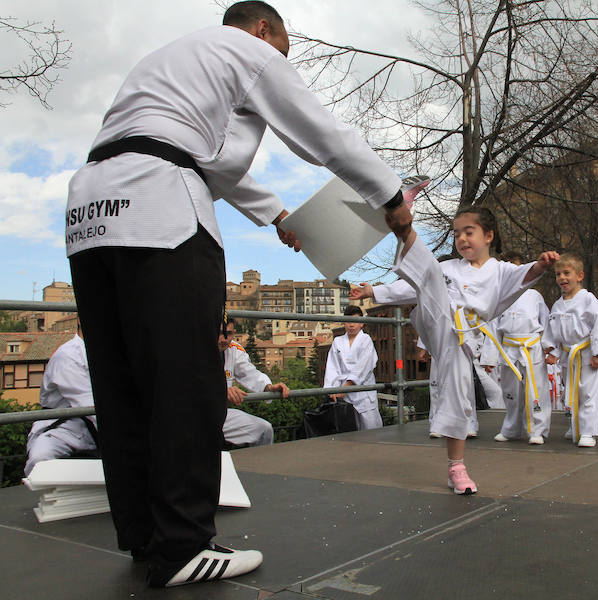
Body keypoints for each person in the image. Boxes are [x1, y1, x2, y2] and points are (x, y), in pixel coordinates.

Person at [64, 2, 418, 588]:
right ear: (263, 30)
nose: (280, 61)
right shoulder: (248, 49)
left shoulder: (172, 63)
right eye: (282, 48)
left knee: (122, 380)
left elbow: (215, 161)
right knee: (184, 378)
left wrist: (278, 213)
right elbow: (321, 135)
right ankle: (183, 544)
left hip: (91, 211)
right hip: (160, 208)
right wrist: (390, 194)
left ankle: (147, 537)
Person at [352, 206, 558, 494]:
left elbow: (525, 275)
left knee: (458, 398)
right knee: (431, 276)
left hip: (463, 340)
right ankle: (405, 226)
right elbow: (412, 287)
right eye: (457, 233)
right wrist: (374, 291)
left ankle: (456, 468)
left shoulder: (501, 271)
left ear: (488, 236)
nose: (461, 239)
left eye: (468, 232)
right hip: (437, 324)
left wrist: (542, 265)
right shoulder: (448, 268)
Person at [484, 251, 551, 445]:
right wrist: (489, 358)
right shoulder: (498, 298)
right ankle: (511, 428)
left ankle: (537, 429)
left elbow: (546, 322)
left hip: (531, 348)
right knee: (510, 392)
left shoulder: (534, 295)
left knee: (535, 391)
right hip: (509, 348)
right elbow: (493, 329)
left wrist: (549, 348)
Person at [543, 254, 598, 447]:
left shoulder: (588, 299)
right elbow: (553, 331)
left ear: (579, 276)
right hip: (568, 355)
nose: (562, 278)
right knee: (570, 392)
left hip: (586, 353)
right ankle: (576, 425)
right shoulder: (557, 304)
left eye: (566, 273)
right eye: (558, 274)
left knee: (588, 393)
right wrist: (552, 351)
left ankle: (588, 432)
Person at [25, 325, 98, 476]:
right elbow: (90, 406)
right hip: (64, 427)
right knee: (41, 459)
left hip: (96, 429)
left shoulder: (109, 353)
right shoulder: (68, 356)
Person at [219, 319, 288, 446]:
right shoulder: (194, 348)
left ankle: (263, 465)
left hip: (220, 414)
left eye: (227, 334)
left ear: (234, 333)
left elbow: (250, 374)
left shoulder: (234, 349)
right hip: (192, 414)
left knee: (264, 429)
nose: (223, 339)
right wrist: (220, 391)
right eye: (218, 333)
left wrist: (269, 387)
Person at [324, 305, 383, 430]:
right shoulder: (338, 341)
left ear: (361, 323)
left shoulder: (365, 340)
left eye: (355, 321)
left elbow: (364, 366)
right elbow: (332, 367)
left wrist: (348, 385)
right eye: (348, 321)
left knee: (371, 429)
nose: (351, 325)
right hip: (343, 395)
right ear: (344, 323)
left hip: (363, 391)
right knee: (348, 431)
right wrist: (332, 389)